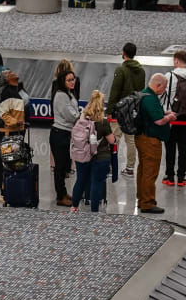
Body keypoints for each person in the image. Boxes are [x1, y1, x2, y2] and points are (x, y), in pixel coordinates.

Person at [135, 73, 177, 214]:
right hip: (150, 140)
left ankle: (141, 199)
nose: (164, 90)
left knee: (142, 170)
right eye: (164, 87)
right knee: (150, 172)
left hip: (141, 137)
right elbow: (158, 121)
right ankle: (148, 203)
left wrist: (164, 113)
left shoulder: (143, 95)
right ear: (158, 85)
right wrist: (169, 117)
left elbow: (152, 114)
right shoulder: (151, 98)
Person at [70, 90, 116, 212]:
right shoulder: (103, 122)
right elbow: (112, 141)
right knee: (97, 182)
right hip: (100, 156)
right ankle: (94, 211)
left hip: (83, 154)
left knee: (80, 180)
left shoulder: (80, 119)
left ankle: (74, 206)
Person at [108, 42, 145, 176]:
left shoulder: (121, 70)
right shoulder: (141, 71)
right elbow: (141, 91)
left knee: (114, 138)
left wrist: (109, 110)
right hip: (133, 110)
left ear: (123, 53)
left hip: (120, 110)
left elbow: (115, 91)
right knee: (130, 140)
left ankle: (111, 166)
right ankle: (130, 168)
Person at [162, 50, 186, 187]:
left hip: (171, 116)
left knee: (170, 147)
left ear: (176, 60)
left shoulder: (170, 76)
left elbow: (163, 94)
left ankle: (170, 177)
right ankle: (182, 178)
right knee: (183, 148)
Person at [48, 63, 79, 207]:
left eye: (73, 79)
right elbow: (70, 115)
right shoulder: (61, 95)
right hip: (59, 134)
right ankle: (60, 196)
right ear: (63, 81)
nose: (72, 82)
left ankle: (64, 192)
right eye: (69, 80)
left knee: (64, 166)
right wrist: (79, 115)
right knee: (59, 168)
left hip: (65, 134)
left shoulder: (68, 93)